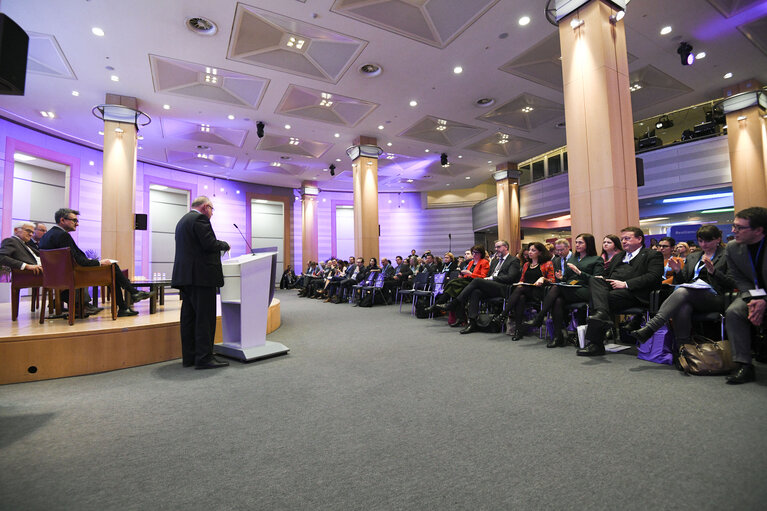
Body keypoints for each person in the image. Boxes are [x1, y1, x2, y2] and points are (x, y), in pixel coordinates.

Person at [628, 225, 734, 358]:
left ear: (718, 239)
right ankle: (683, 352)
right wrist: (678, 271)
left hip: (715, 297)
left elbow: (731, 283)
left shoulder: (727, 255)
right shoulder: (694, 257)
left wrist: (714, 272)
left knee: (683, 292)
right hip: (690, 294)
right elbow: (683, 280)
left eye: (707, 241)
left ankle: (651, 327)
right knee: (683, 306)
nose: (703, 244)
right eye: (700, 241)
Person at [39, 208, 151, 317]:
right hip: (73, 276)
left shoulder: (46, 236)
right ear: (62, 220)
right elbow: (78, 261)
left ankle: (128, 301)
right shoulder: (62, 235)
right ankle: (129, 298)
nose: (77, 224)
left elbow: (70, 259)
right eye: (74, 220)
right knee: (112, 267)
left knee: (112, 270)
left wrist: (92, 261)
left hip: (54, 278)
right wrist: (99, 263)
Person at [577, 226, 663, 356]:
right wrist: (603, 279)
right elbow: (607, 274)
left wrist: (626, 284)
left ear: (639, 239)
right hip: (613, 289)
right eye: (622, 239)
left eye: (627, 238)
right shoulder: (619, 256)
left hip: (635, 293)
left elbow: (653, 277)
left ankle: (596, 344)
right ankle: (601, 315)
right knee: (595, 281)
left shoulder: (652, 255)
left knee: (601, 299)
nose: (623, 241)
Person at [171, 196, 231, 369]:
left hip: (186, 278)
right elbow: (209, 244)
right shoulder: (200, 219)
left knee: (189, 318)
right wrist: (224, 245)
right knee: (205, 318)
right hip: (201, 278)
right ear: (206, 207)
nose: (212, 213)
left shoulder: (182, 221)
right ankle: (204, 358)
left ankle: (190, 357)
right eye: (212, 209)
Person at [523, 233, 603, 347]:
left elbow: (596, 280)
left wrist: (580, 272)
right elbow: (567, 278)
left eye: (580, 242)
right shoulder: (574, 258)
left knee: (556, 288)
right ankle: (558, 336)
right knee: (557, 300)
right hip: (569, 288)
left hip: (585, 289)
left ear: (588, 244)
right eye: (576, 242)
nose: (577, 245)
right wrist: (562, 277)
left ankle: (540, 317)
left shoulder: (596, 259)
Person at [434, 240, 520, 334]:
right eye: (495, 247)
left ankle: (453, 303)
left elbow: (511, 277)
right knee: (475, 291)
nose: (496, 249)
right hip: (491, 287)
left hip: (503, 288)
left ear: (506, 247)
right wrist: (488, 279)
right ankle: (472, 322)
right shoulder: (495, 261)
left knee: (476, 280)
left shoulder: (513, 260)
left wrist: (492, 278)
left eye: (498, 247)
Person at [723, 207, 767, 384]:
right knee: (734, 312)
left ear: (758, 230)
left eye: (740, 228)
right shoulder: (733, 248)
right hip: (752, 294)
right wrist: (755, 299)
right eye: (733, 226)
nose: (734, 231)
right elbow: (739, 278)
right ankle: (744, 365)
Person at [502, 242, 555, 340]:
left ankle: (504, 314)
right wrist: (519, 283)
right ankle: (518, 330)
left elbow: (552, 280)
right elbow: (522, 279)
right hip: (526, 292)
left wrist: (543, 279)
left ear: (540, 252)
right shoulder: (527, 264)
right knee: (521, 297)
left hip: (539, 292)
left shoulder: (547, 263)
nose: (530, 252)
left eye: (533, 250)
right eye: (530, 250)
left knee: (520, 289)